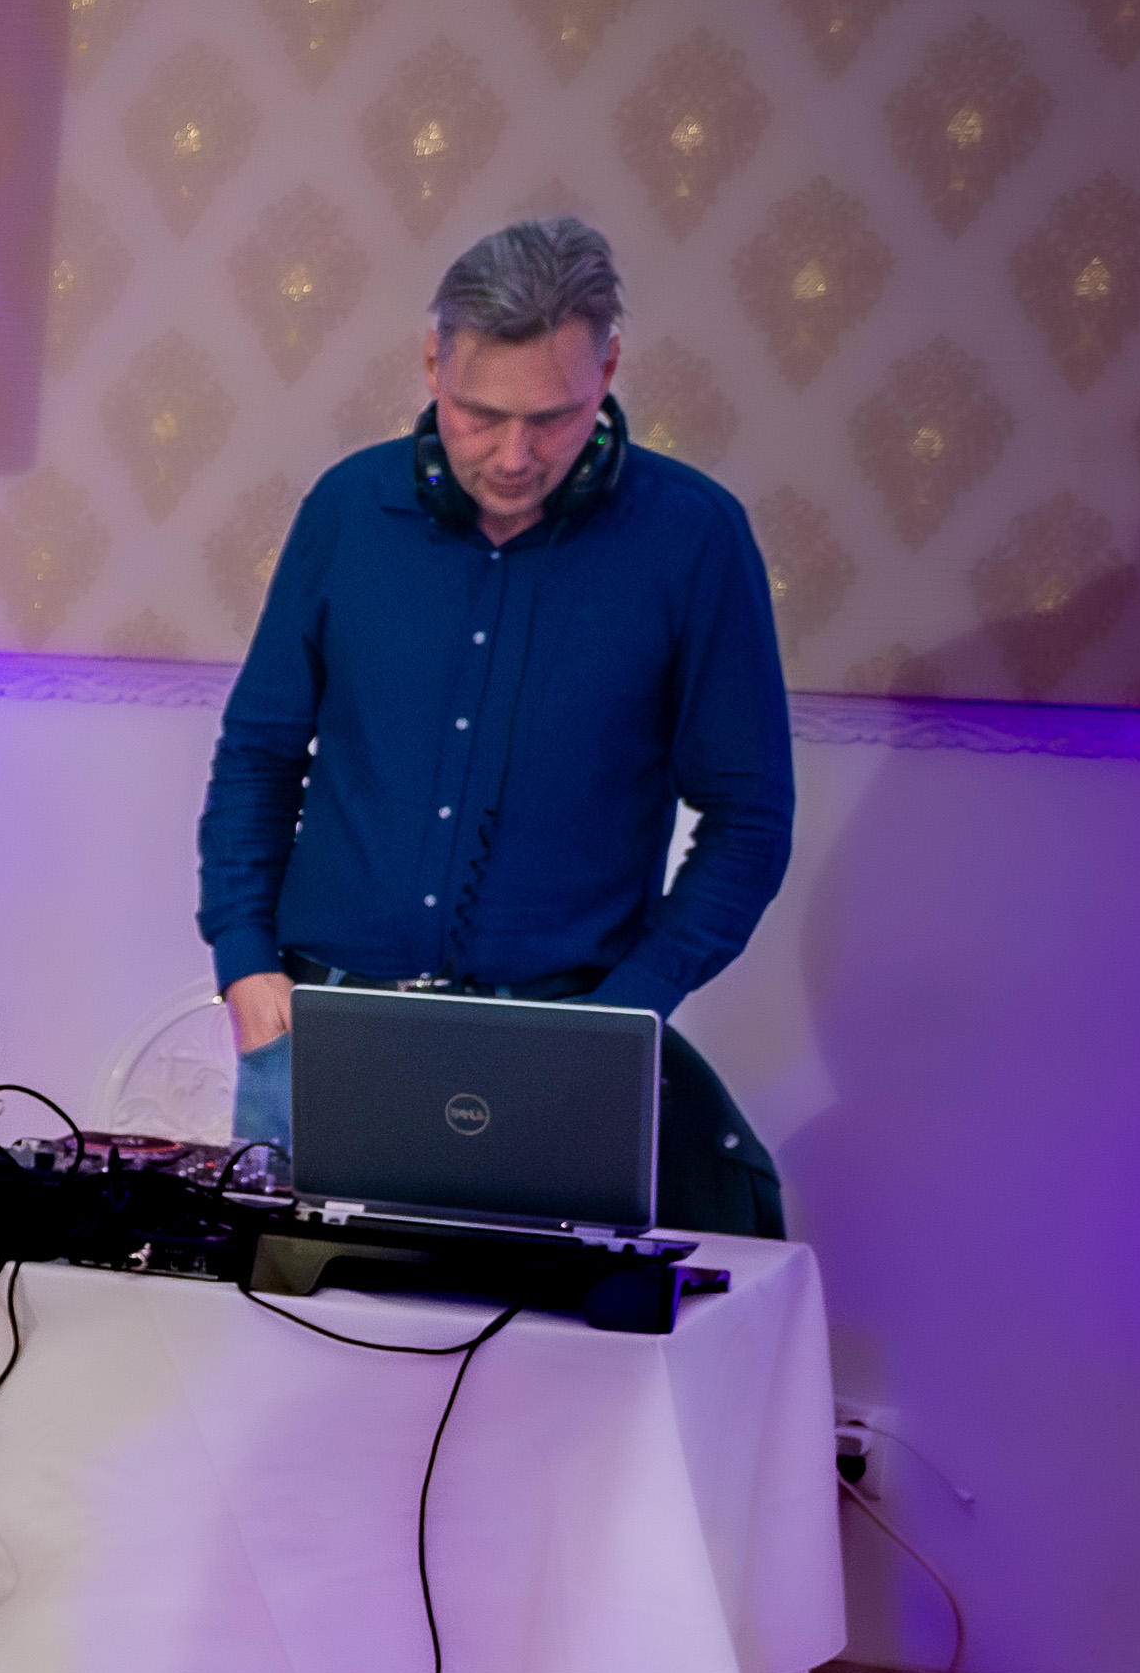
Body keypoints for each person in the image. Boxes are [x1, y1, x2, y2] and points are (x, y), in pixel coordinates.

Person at [199, 212, 794, 1232]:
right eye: (480, 415)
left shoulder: (694, 538)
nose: (514, 456)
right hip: (320, 1032)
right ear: (433, 362)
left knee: (528, 1337)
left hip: (556, 1052)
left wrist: (629, 1008)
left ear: (608, 369)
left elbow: (749, 817)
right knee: (287, 1325)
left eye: (553, 419)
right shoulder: (346, 510)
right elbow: (259, 754)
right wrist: (245, 962)